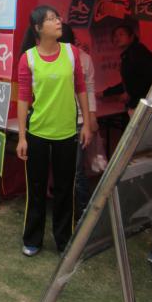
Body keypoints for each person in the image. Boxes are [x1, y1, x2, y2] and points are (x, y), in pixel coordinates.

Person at [16, 6, 92, 256]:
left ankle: (63, 240)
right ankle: (32, 239)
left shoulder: (71, 52)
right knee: (36, 189)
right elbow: (24, 98)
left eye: (57, 17)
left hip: (67, 132)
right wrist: (22, 137)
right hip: (37, 132)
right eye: (51, 19)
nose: (58, 21)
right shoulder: (28, 58)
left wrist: (87, 123)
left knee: (64, 189)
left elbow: (80, 87)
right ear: (38, 28)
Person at [61, 23, 99, 220]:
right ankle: (65, 209)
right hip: (57, 121)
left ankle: (84, 212)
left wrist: (91, 117)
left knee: (76, 170)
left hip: (78, 121)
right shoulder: (49, 58)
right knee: (63, 169)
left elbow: (90, 89)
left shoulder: (84, 59)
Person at [102, 23, 152, 115]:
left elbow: (146, 78)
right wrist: (106, 93)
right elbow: (129, 81)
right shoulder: (128, 54)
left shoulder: (137, 52)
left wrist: (130, 93)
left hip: (143, 104)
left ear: (131, 37)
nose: (117, 38)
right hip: (138, 103)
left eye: (121, 34)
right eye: (115, 36)